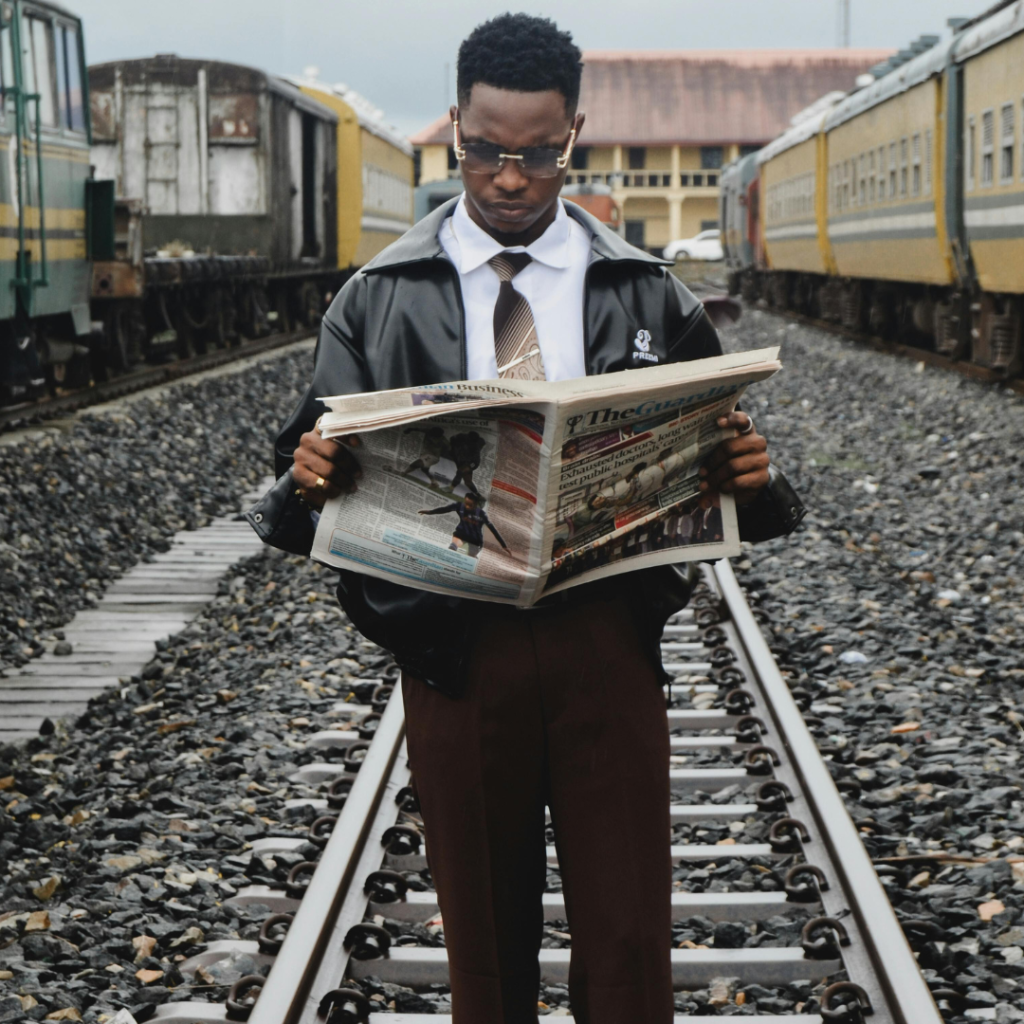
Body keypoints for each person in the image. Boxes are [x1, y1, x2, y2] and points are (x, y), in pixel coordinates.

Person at [247, 14, 804, 1023]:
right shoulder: (374, 302)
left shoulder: (642, 289)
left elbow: (740, 487)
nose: (509, 177)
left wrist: (754, 480)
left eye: (538, 155)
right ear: (456, 127)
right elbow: (291, 510)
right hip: (455, 658)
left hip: (606, 648)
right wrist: (309, 476)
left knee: (632, 942)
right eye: (485, 151)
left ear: (573, 134)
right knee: (487, 960)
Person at [419, 490, 508, 557]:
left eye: (470, 505)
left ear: (476, 504)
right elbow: (444, 509)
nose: (467, 507)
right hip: (461, 534)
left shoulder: (481, 514)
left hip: (475, 540)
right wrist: (429, 512)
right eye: (466, 503)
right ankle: (452, 548)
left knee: (471, 557)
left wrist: (503, 545)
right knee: (453, 547)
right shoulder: (459, 506)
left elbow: (492, 529)